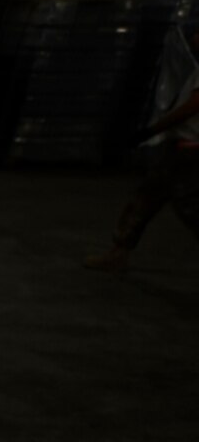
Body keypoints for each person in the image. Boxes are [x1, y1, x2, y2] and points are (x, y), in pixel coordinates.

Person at [84, 25, 199, 274]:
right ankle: (119, 252)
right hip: (179, 149)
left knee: (190, 208)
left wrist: (153, 130)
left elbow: (193, 106)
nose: (193, 39)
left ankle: (119, 252)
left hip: (189, 152)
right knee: (144, 200)